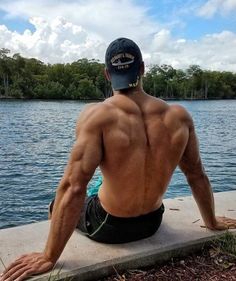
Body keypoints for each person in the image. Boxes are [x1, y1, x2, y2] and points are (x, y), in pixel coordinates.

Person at [1, 37, 236, 281]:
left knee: (55, 202)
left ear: (106, 74)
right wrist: (212, 222)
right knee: (98, 187)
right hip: (152, 222)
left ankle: (54, 247)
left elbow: (73, 186)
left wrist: (49, 257)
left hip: (110, 227)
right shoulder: (179, 116)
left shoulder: (98, 115)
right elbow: (197, 174)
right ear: (143, 68)